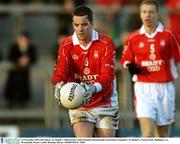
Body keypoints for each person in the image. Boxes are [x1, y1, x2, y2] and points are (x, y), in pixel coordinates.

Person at [51, 5, 119, 137]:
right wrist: (58, 84)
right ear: (72, 25)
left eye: (84, 24)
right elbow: (61, 71)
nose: (80, 29)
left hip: (105, 100)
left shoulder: (106, 43)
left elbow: (108, 76)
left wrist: (93, 89)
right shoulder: (66, 45)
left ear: (92, 24)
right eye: (76, 25)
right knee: (84, 139)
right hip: (79, 100)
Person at [120, 0, 180, 137]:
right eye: (144, 12)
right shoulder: (133, 37)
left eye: (151, 12)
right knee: (147, 134)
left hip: (164, 88)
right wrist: (130, 66)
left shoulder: (169, 36)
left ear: (157, 14)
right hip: (143, 88)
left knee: (163, 136)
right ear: (140, 15)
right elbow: (125, 59)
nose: (148, 15)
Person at [4, 32, 37, 108]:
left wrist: (28, 60)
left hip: (24, 76)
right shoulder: (13, 47)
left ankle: (22, 117)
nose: (24, 41)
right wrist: (19, 60)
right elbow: (10, 57)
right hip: (13, 77)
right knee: (12, 98)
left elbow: (34, 58)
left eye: (25, 40)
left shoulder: (31, 48)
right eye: (22, 40)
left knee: (23, 100)